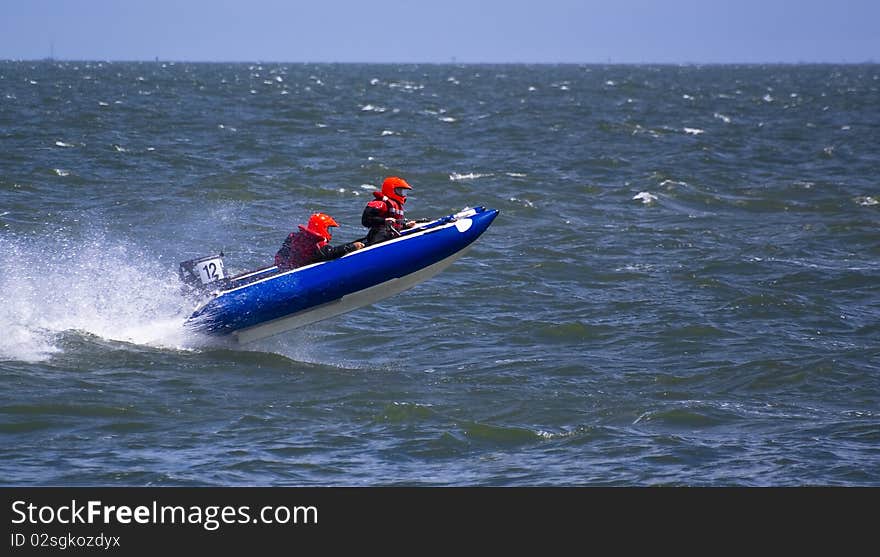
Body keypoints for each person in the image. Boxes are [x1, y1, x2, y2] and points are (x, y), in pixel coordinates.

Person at [274, 212, 364, 270]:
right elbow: (330, 253)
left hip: (287, 266)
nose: (329, 232)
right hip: (300, 270)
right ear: (323, 228)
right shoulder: (316, 241)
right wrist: (352, 247)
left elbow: (282, 253)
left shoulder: (297, 236)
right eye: (328, 229)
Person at [361, 176, 417, 245]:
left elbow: (395, 223)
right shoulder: (380, 203)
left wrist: (406, 225)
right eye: (400, 191)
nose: (403, 194)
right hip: (379, 235)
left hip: (392, 234)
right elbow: (365, 220)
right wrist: (384, 220)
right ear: (391, 189)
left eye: (404, 192)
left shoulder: (397, 205)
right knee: (383, 231)